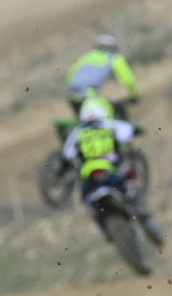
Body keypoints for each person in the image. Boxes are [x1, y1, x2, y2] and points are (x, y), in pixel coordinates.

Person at [61, 98, 162, 243]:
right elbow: (127, 132)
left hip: (89, 176)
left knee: (89, 205)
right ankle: (139, 209)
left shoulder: (77, 132)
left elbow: (67, 154)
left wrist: (66, 167)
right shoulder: (110, 124)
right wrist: (135, 130)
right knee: (129, 182)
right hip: (111, 168)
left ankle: (106, 230)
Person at [65, 34, 139, 115]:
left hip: (71, 95)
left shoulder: (86, 57)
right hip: (90, 97)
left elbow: (70, 76)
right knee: (112, 114)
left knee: (84, 119)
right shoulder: (114, 58)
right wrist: (134, 95)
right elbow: (128, 80)